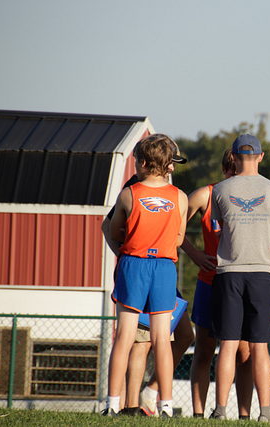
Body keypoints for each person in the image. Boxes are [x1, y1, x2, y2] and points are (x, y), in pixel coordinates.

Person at [100, 137, 194, 417]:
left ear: (142, 162)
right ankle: (166, 406)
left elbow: (114, 231)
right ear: (168, 164)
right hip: (164, 267)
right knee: (162, 339)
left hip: (134, 264)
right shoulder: (181, 197)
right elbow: (179, 238)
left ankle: (112, 405)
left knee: (124, 337)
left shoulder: (128, 194)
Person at [209, 134, 270, 422]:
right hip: (261, 273)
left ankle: (220, 411)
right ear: (261, 156)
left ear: (232, 157)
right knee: (260, 347)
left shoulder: (219, 189)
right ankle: (264, 413)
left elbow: (220, 229)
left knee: (227, 345)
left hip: (228, 273)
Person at [183, 148, 254, 419]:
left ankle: (245, 416)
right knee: (204, 351)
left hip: (242, 282)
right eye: (232, 174)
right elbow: (174, 227)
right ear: (225, 171)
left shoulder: (252, 198)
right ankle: (199, 415)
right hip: (210, 281)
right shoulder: (206, 195)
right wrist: (194, 254)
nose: (236, 180)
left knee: (244, 354)